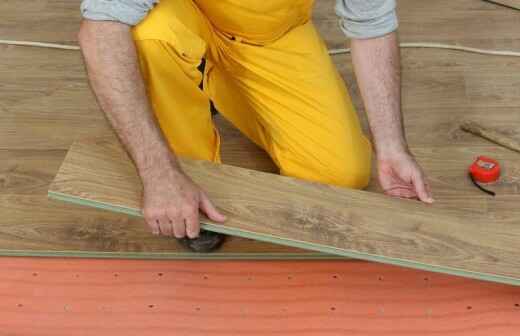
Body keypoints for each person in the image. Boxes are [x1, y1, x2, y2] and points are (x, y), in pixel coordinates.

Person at [78, 0, 433, 252]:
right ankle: (186, 168)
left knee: (342, 174)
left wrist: (391, 146)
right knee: (149, 34)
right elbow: (100, 32)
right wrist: (156, 174)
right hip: (183, 20)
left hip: (271, 38)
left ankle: (211, 81)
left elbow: (372, 26)